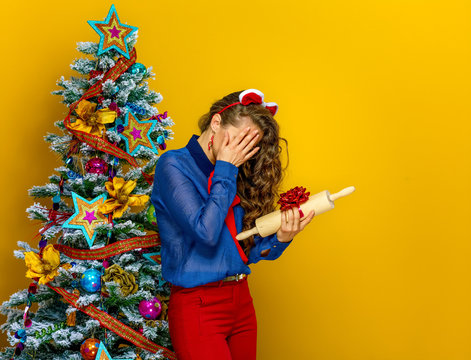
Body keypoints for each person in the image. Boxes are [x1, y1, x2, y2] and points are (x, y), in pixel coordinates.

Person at [150, 89, 315, 360]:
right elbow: (206, 233)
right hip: (198, 305)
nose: (241, 153)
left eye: (249, 147)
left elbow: (241, 249)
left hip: (241, 301)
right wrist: (227, 168)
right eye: (238, 141)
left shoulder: (234, 169)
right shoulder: (173, 165)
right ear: (216, 123)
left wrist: (282, 238)